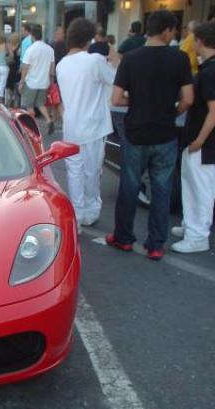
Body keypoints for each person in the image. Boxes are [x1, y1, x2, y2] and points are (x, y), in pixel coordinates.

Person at [107, 10, 194, 260]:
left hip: (135, 132)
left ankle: (123, 237)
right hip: (165, 133)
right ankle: (156, 244)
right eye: (174, 30)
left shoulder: (131, 59)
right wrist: (172, 110)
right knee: (162, 189)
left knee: (129, 186)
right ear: (167, 30)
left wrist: (136, 100)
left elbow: (116, 98)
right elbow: (188, 99)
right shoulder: (179, 59)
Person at [56, 18, 118, 230]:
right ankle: (90, 210)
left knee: (74, 170)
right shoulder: (95, 60)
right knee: (92, 170)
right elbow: (115, 80)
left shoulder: (62, 64)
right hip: (93, 125)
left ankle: (77, 213)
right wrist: (115, 59)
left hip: (71, 124)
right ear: (89, 38)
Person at [171, 22, 215, 253]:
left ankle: (198, 235)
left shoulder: (210, 72)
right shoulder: (207, 69)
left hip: (203, 143)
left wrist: (199, 139)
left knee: (201, 189)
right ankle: (191, 226)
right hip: (199, 141)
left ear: (199, 41)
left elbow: (214, 111)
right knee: (192, 185)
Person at [20, 24, 55, 133]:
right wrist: (51, 80)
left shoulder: (30, 50)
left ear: (32, 36)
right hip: (44, 82)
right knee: (40, 104)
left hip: (31, 82)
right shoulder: (49, 49)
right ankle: (49, 120)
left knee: (29, 105)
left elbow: (25, 67)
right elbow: (52, 66)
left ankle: (33, 127)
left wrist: (22, 81)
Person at [6, 33, 21, 107]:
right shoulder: (18, 47)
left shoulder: (16, 48)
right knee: (13, 90)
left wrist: (9, 50)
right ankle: (13, 105)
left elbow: (12, 57)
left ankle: (12, 106)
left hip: (13, 69)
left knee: (13, 90)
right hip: (14, 69)